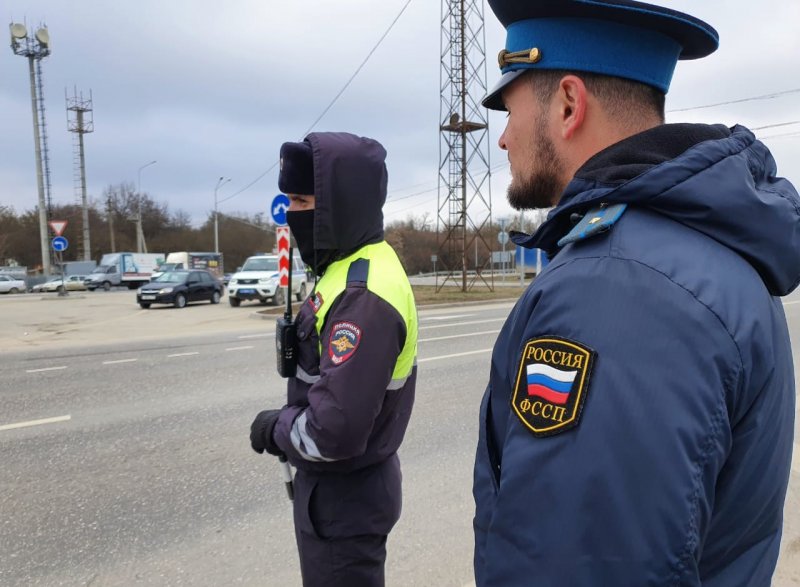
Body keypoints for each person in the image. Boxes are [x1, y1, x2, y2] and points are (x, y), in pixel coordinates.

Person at [473, 1, 800, 585]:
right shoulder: (706, 248)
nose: (503, 140)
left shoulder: (617, 286)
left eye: (511, 110)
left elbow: (576, 565)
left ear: (569, 105)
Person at [250, 132, 418, 587]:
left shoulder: (362, 297)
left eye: (301, 200)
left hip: (345, 498)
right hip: (338, 494)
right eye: (287, 200)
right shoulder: (347, 265)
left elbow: (335, 431)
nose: (291, 213)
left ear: (337, 203)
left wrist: (277, 427)